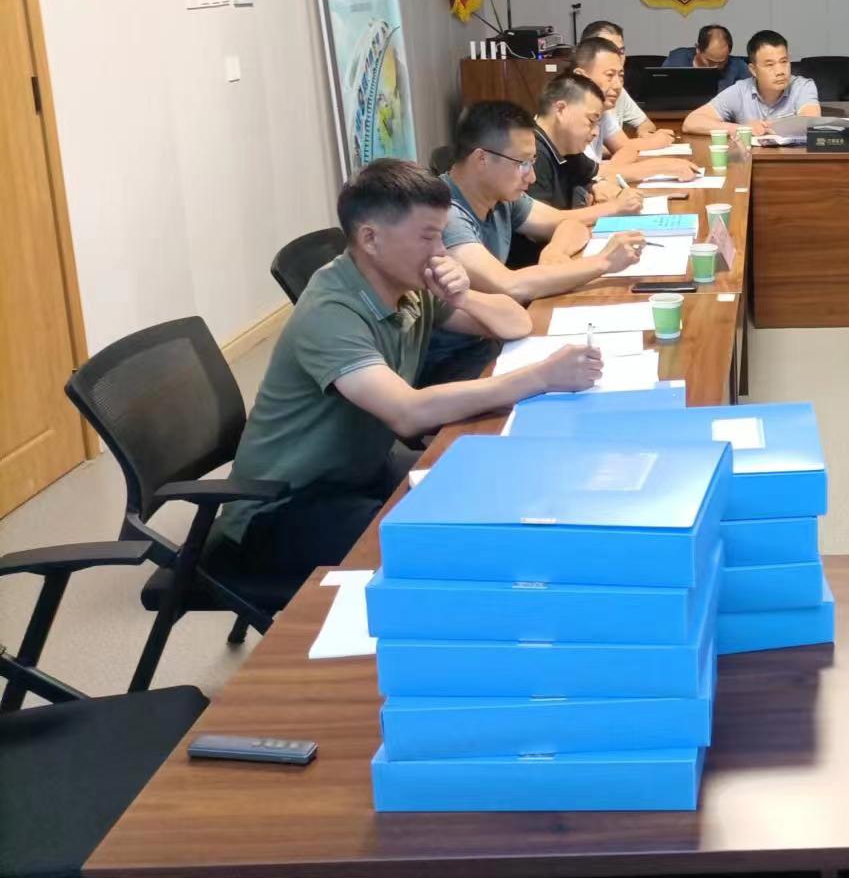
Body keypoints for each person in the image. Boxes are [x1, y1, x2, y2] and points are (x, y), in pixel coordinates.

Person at [213, 158, 604, 587]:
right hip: (283, 508)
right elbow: (407, 414)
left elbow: (517, 323)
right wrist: (540, 377)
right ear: (371, 239)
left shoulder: (409, 284)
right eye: (428, 236)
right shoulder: (330, 312)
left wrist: (464, 296)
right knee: (451, 550)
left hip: (358, 471)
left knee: (493, 498)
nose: (441, 251)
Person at [424, 101, 647, 381]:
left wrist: (555, 250)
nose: (531, 176)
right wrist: (604, 262)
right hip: (456, 362)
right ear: (482, 159)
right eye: (523, 164)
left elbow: (568, 223)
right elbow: (509, 285)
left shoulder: (500, 196)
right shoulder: (444, 213)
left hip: (502, 337)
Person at [510, 72, 644, 266]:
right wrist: (615, 207)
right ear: (561, 109)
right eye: (591, 121)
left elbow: (596, 178)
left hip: (565, 257)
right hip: (534, 267)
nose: (596, 132)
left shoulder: (567, 148)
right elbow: (545, 226)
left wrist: (596, 185)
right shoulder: (531, 153)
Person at [573, 36, 693, 182]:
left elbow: (627, 149)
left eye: (621, 75)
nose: (618, 85)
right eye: (609, 75)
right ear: (580, 76)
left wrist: (610, 170)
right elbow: (589, 176)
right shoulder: (568, 116)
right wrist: (664, 167)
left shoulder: (602, 110)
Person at [682, 29, 821, 135]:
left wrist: (771, 127)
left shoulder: (803, 86)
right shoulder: (740, 91)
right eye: (770, 65)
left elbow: (811, 122)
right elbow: (691, 122)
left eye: (784, 62)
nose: (780, 71)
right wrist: (742, 129)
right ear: (753, 70)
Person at [579, 21, 672, 145]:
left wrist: (644, 136)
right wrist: (646, 143)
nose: (618, 57)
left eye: (621, 51)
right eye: (608, 49)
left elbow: (624, 143)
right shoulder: (572, 103)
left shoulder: (614, 90)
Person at [663, 23, 750, 92]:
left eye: (721, 62)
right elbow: (660, 93)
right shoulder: (677, 60)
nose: (716, 67)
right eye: (710, 62)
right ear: (698, 49)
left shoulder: (738, 67)